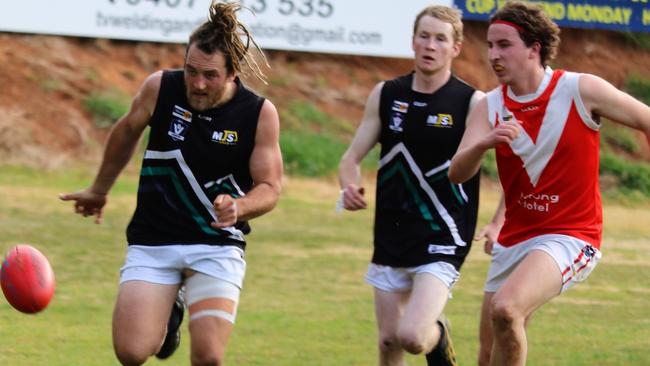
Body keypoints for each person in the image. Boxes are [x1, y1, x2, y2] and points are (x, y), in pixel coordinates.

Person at [59, 2, 283, 365]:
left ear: (233, 73)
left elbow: (270, 187)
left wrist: (240, 207)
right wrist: (99, 189)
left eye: (209, 75)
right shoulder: (160, 88)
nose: (197, 83)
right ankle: (170, 311)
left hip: (216, 244)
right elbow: (127, 131)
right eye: (190, 70)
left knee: (208, 357)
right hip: (154, 238)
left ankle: (177, 302)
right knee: (131, 352)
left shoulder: (257, 113)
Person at [448, 1, 650, 365]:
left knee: (506, 309)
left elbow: (646, 118)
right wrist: (483, 142)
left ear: (534, 48)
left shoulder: (579, 89)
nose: (494, 54)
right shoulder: (489, 107)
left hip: (572, 235)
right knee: (487, 353)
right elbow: (457, 172)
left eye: (504, 45)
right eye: (490, 45)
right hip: (515, 239)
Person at [338, 5, 484, 366]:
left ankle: (438, 337)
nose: (430, 45)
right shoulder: (387, 95)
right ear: (413, 40)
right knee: (389, 342)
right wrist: (349, 186)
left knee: (413, 336)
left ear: (456, 48)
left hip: (443, 234)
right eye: (424, 36)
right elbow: (350, 158)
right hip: (391, 232)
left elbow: (503, 166)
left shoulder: (471, 102)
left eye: (440, 39)